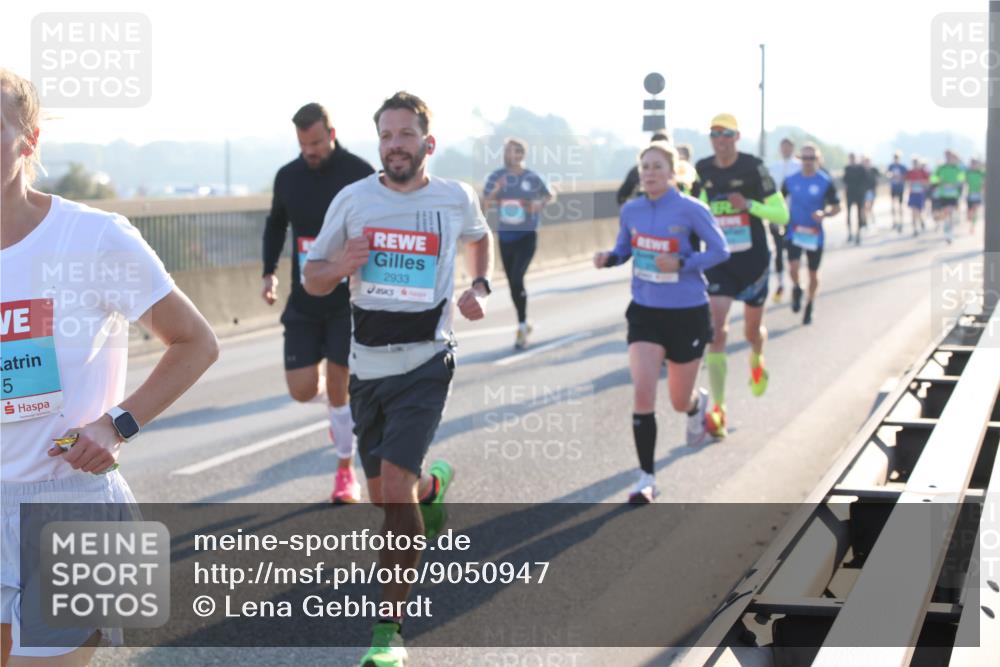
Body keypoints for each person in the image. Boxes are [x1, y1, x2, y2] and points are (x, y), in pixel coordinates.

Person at [1, 68, 219, 666]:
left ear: (29, 139)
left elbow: (196, 341)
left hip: (75, 505)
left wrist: (116, 424)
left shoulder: (92, 238)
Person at [302, 91, 493, 667]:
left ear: (426, 143)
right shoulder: (353, 200)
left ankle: (389, 632)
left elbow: (481, 239)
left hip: (427, 360)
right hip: (367, 367)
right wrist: (341, 266)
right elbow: (312, 277)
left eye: (405, 135)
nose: (395, 145)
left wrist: (478, 287)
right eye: (386, 136)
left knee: (390, 489)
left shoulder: (455, 198)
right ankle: (432, 487)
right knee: (392, 495)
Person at [594, 141, 728, 503]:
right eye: (644, 167)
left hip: (686, 313)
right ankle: (645, 478)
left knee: (678, 400)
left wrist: (683, 263)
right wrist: (609, 257)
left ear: (673, 173)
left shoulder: (691, 209)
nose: (649, 173)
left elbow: (720, 250)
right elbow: (625, 249)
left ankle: (696, 406)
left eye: (656, 167)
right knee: (642, 391)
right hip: (646, 311)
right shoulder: (633, 209)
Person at [262, 103, 375, 503]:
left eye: (315, 142)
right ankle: (336, 411)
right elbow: (277, 223)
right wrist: (268, 271)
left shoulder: (359, 173)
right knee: (301, 388)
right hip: (305, 297)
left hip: (348, 299)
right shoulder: (288, 177)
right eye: (302, 143)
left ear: (331, 132)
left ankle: (345, 473)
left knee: (341, 389)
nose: (309, 150)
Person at [695, 113, 789, 439]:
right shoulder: (703, 170)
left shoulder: (753, 167)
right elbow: (697, 208)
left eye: (726, 134)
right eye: (714, 134)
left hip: (753, 262)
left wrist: (749, 204)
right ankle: (718, 408)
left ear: (737, 137)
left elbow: (782, 214)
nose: (720, 139)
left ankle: (757, 357)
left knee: (751, 332)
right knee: (717, 331)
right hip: (720, 262)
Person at [482, 138, 553, 349]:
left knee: (517, 277)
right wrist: (496, 190)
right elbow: (485, 202)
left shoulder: (532, 177)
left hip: (527, 235)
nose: (506, 154)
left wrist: (538, 204)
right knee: (513, 284)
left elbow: (550, 195)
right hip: (505, 236)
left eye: (511, 151)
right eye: (505, 151)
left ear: (521, 154)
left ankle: (521, 326)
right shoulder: (497, 176)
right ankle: (523, 322)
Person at [781, 143, 841, 325]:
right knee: (793, 267)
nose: (808, 162)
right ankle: (798, 288)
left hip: (815, 234)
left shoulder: (825, 181)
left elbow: (837, 206)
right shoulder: (790, 180)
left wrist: (825, 213)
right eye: (805, 158)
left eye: (811, 158)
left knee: (813, 274)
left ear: (818, 159)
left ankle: (810, 304)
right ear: (799, 159)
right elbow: (778, 201)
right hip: (794, 231)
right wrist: (777, 220)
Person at [767, 138, 801, 303]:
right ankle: (781, 284)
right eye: (783, 147)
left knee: (793, 254)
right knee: (778, 251)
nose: (785, 149)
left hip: (795, 218)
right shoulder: (773, 168)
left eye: (788, 147)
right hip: (777, 216)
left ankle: (796, 284)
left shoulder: (800, 167)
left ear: (792, 148)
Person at [616, 131, 670, 205]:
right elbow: (622, 197)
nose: (650, 173)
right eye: (646, 168)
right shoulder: (636, 171)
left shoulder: (681, 172)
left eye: (658, 167)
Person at [930, 150, 965, 244]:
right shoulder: (941, 167)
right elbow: (933, 178)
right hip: (943, 194)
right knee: (946, 214)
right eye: (947, 156)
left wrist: (955, 184)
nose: (948, 158)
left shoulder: (957, 168)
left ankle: (949, 233)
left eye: (950, 156)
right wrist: (939, 182)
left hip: (953, 195)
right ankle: (947, 230)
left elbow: (962, 179)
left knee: (950, 213)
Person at [842, 153, 869, 244]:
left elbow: (865, 180)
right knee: (849, 214)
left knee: (858, 214)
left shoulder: (861, 168)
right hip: (850, 193)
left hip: (859, 194)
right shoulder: (847, 168)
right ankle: (850, 233)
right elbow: (845, 181)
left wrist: (863, 192)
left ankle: (858, 233)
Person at [905, 157, 930, 236]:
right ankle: (915, 229)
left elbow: (928, 182)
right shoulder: (910, 172)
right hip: (913, 194)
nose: (915, 165)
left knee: (919, 211)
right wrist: (911, 183)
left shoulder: (923, 172)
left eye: (916, 163)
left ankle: (922, 221)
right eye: (914, 163)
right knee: (913, 211)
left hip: (920, 194)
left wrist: (922, 183)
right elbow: (907, 181)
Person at [886, 151, 908, 232]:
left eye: (897, 157)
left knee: (900, 205)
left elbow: (906, 176)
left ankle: (901, 221)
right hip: (893, 187)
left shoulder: (902, 166)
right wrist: (891, 175)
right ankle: (894, 221)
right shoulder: (891, 166)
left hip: (900, 188)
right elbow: (888, 174)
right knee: (893, 205)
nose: (896, 159)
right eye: (895, 157)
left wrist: (900, 177)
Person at [965, 157, 985, 234]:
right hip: (969, 194)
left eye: (975, 164)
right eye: (972, 164)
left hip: (978, 194)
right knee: (970, 214)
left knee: (975, 210)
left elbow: (985, 181)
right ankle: (970, 220)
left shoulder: (981, 173)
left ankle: (972, 227)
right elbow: (964, 182)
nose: (973, 165)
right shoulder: (968, 173)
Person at [862, 156, 879, 227]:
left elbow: (877, 179)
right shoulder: (862, 171)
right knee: (865, 207)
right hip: (864, 191)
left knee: (870, 207)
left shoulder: (873, 170)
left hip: (872, 191)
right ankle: (865, 221)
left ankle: (871, 219)